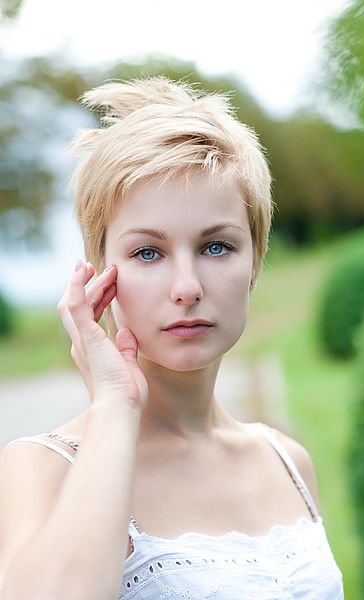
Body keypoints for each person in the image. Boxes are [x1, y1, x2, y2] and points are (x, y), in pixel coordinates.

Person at [0, 76, 344, 599]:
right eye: (147, 253)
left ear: (255, 261)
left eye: (216, 247)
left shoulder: (287, 460)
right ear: (99, 273)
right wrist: (115, 404)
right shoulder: (38, 468)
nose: (187, 288)